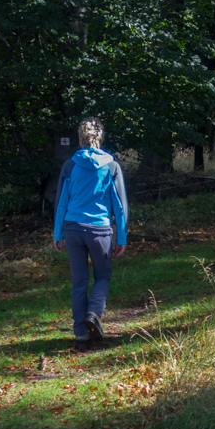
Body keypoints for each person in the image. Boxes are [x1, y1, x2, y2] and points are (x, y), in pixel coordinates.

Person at [53, 117, 129, 350]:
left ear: (79, 138)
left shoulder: (70, 166)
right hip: (100, 231)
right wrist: (122, 237)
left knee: (79, 282)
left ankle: (81, 337)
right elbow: (120, 206)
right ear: (100, 137)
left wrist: (58, 234)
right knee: (103, 276)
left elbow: (61, 202)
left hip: (73, 229)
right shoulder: (111, 166)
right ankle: (94, 314)